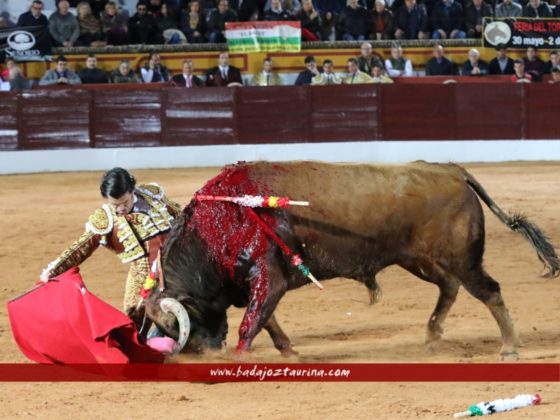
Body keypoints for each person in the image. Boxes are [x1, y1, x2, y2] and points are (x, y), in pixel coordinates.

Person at [39, 168, 182, 320]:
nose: (121, 209)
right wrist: (54, 269)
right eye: (115, 205)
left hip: (179, 258)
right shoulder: (105, 218)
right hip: (145, 272)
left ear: (132, 189)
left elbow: (179, 214)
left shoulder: (151, 194)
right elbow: (81, 247)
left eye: (125, 202)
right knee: (134, 315)